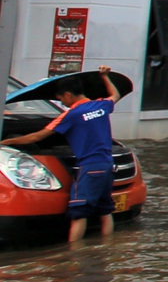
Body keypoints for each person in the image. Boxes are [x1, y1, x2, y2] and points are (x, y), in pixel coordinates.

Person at [13, 66, 121, 245]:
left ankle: (73, 256)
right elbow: (115, 95)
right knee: (105, 211)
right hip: (108, 165)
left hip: (90, 167)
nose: (62, 103)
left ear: (68, 95)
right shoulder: (101, 105)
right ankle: (106, 251)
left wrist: (7, 142)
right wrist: (105, 77)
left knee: (78, 213)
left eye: (61, 99)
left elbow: (37, 136)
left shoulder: (71, 115)